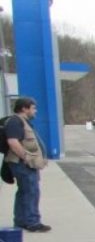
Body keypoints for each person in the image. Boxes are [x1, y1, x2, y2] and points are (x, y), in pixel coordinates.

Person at [4, 96, 51, 232]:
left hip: (25, 164)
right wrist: (26, 158)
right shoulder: (15, 122)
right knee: (31, 192)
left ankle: (21, 221)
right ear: (24, 108)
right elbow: (13, 142)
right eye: (33, 108)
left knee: (25, 192)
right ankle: (32, 222)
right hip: (22, 164)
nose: (35, 111)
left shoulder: (22, 122)